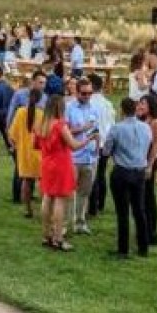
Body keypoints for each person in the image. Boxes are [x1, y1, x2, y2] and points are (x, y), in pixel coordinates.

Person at [103, 96, 153, 259]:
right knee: (139, 209)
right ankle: (143, 246)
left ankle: (123, 249)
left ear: (122, 110)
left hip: (122, 171)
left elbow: (106, 151)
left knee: (123, 211)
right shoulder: (146, 128)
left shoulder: (117, 129)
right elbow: (148, 146)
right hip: (139, 171)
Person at [36, 94, 84, 251]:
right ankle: (58, 237)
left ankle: (45, 234)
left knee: (47, 197)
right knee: (60, 200)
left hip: (46, 162)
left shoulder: (41, 124)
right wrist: (89, 139)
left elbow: (35, 144)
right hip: (61, 163)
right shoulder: (60, 125)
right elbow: (74, 145)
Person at [66, 78, 101, 235]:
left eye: (90, 93)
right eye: (84, 93)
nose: (87, 96)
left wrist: (97, 147)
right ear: (77, 92)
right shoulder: (69, 108)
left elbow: (96, 129)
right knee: (70, 192)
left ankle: (81, 221)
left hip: (90, 157)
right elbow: (64, 131)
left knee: (85, 192)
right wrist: (82, 128)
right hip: (74, 156)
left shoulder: (94, 108)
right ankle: (68, 223)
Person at [8, 89, 44, 219]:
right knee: (42, 182)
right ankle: (44, 209)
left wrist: (15, 146)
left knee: (26, 181)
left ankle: (28, 209)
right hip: (39, 153)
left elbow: (12, 135)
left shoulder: (20, 112)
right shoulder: (42, 115)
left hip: (24, 152)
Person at [87, 73, 116, 219]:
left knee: (92, 175)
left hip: (92, 143)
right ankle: (100, 203)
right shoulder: (108, 104)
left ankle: (92, 206)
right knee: (101, 174)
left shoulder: (89, 103)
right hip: (105, 143)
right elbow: (112, 125)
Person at [138, 94, 157, 246]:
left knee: (148, 196)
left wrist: (149, 164)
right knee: (140, 196)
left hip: (149, 160)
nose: (141, 106)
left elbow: (155, 144)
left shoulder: (155, 122)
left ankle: (151, 232)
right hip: (138, 159)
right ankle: (143, 229)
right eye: (140, 103)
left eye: (144, 104)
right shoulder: (140, 119)